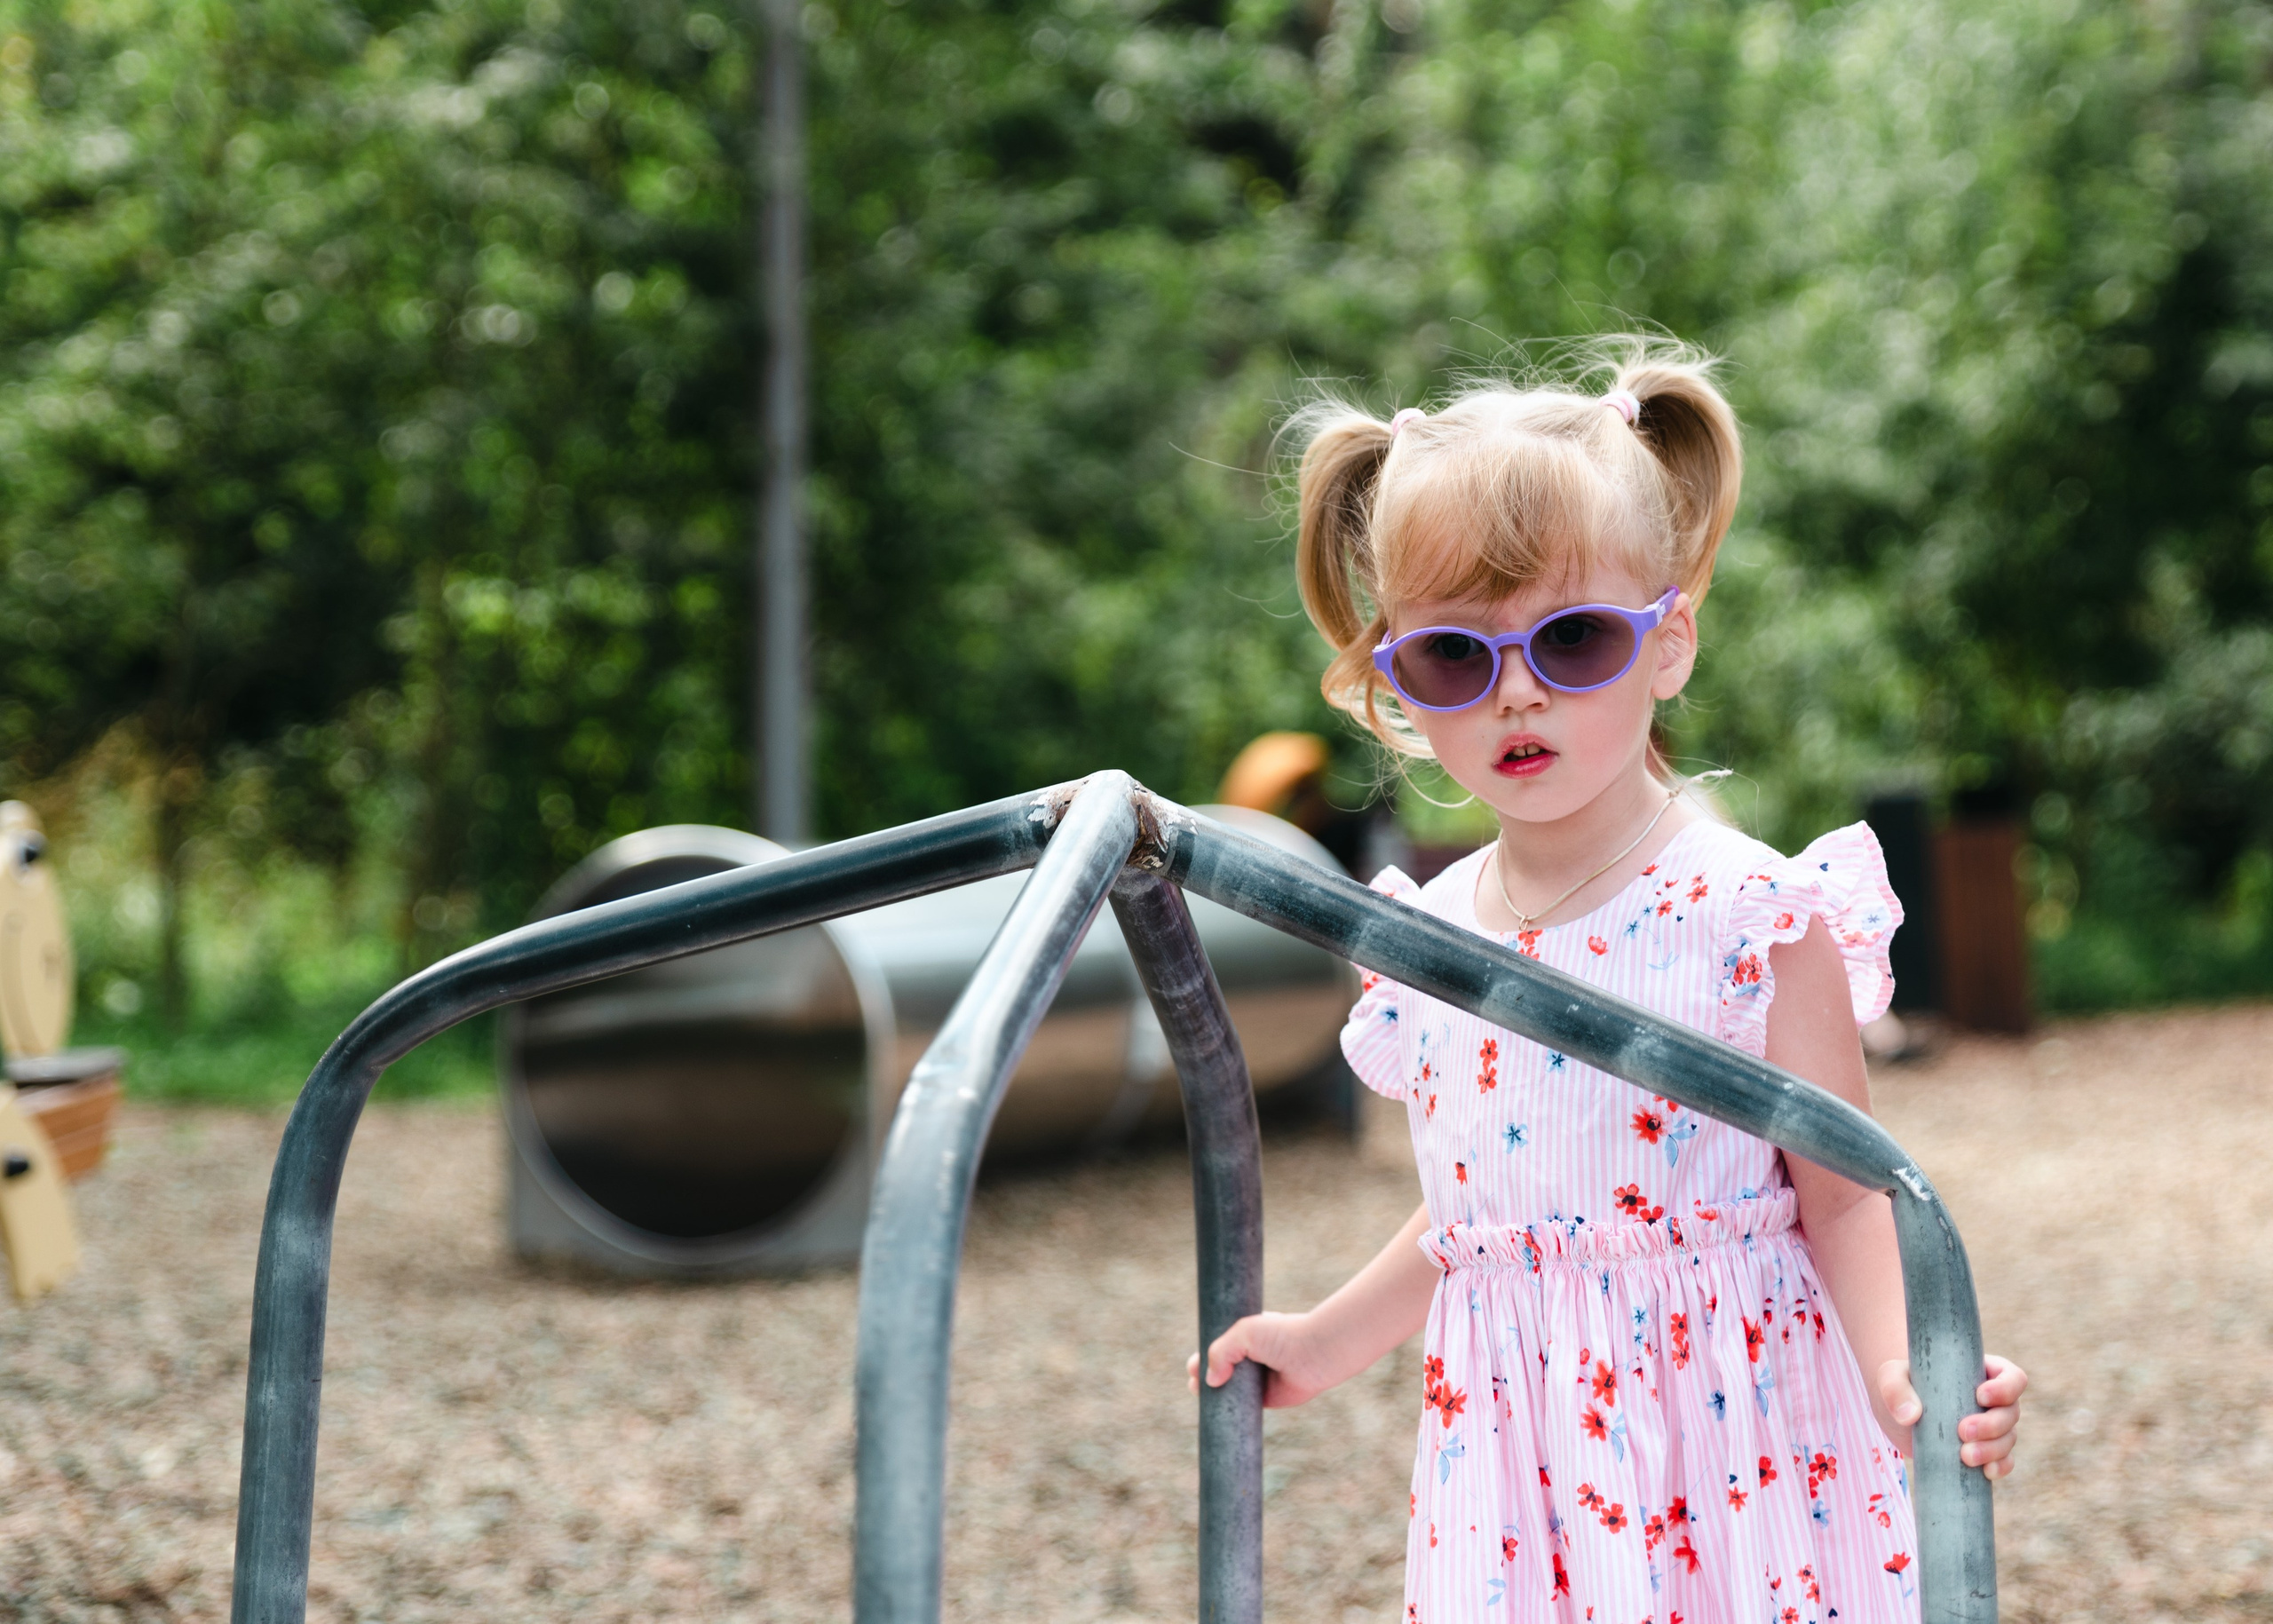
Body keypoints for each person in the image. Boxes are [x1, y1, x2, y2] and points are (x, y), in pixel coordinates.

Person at [1189, 344, 2026, 1622]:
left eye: (1572, 638)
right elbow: (1483, 1211)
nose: (1517, 690)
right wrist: (1330, 1335)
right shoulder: (1430, 938)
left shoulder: (1743, 912)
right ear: (1398, 680)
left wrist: (1903, 1369)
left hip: (1735, 1439)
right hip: (1522, 1466)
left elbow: (1845, 1195)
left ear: (1669, 641)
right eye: (1455, 659)